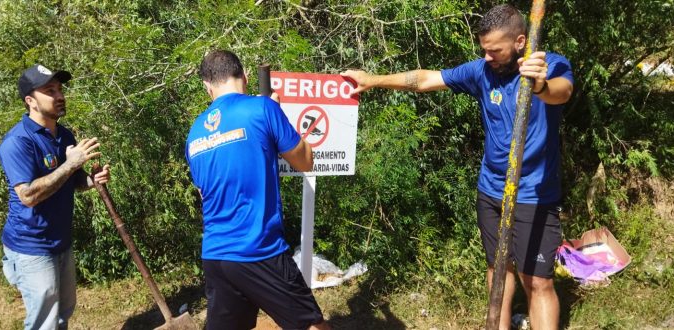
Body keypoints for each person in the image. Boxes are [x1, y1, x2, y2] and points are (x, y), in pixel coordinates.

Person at [341, 4, 573, 330]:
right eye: (485, 50)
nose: (489, 57)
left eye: (495, 50)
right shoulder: (481, 71)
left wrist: (539, 85)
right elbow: (425, 79)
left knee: (537, 282)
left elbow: (562, 93)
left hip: (535, 195)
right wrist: (372, 80)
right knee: (498, 272)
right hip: (491, 190)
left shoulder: (549, 65)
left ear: (521, 41)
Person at [185, 50, 330, 330]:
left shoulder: (194, 133)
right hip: (258, 249)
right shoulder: (263, 109)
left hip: (215, 255)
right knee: (312, 326)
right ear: (245, 76)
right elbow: (305, 160)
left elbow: (205, 193)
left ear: (207, 86)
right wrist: (275, 115)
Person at [0, 64, 111, 330]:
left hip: (60, 240)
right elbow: (28, 196)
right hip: (30, 246)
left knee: (63, 313)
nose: (59, 96)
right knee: (44, 323)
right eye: (49, 91)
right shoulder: (18, 142)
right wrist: (71, 164)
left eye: (60, 89)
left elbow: (70, 180)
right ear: (30, 101)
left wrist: (90, 180)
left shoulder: (63, 135)